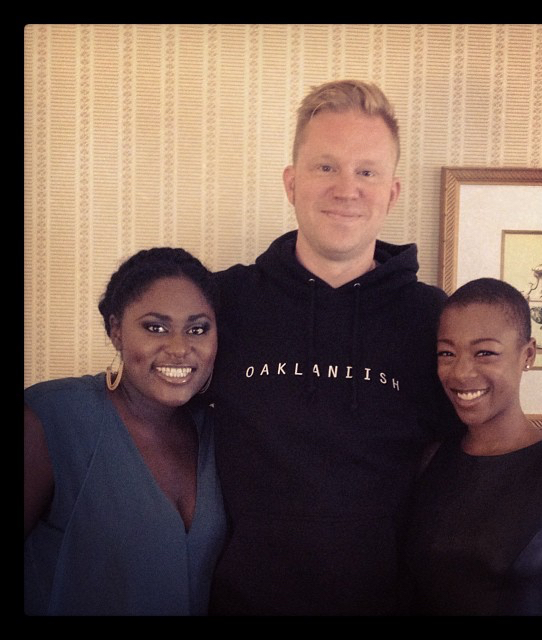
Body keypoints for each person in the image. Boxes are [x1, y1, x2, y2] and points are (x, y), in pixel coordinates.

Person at [208, 80, 461, 616]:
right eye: (326, 167)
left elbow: (474, 456)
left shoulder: (433, 318)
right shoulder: (224, 302)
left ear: (392, 193)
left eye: (366, 171)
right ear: (291, 182)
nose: (347, 189)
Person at [24, 247, 228, 616]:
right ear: (116, 330)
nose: (180, 348)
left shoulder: (219, 431)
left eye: (197, 329)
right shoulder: (50, 419)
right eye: (155, 327)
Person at [402, 277, 542, 616]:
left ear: (527, 355)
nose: (460, 372)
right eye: (447, 353)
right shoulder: (429, 459)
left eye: (484, 352)